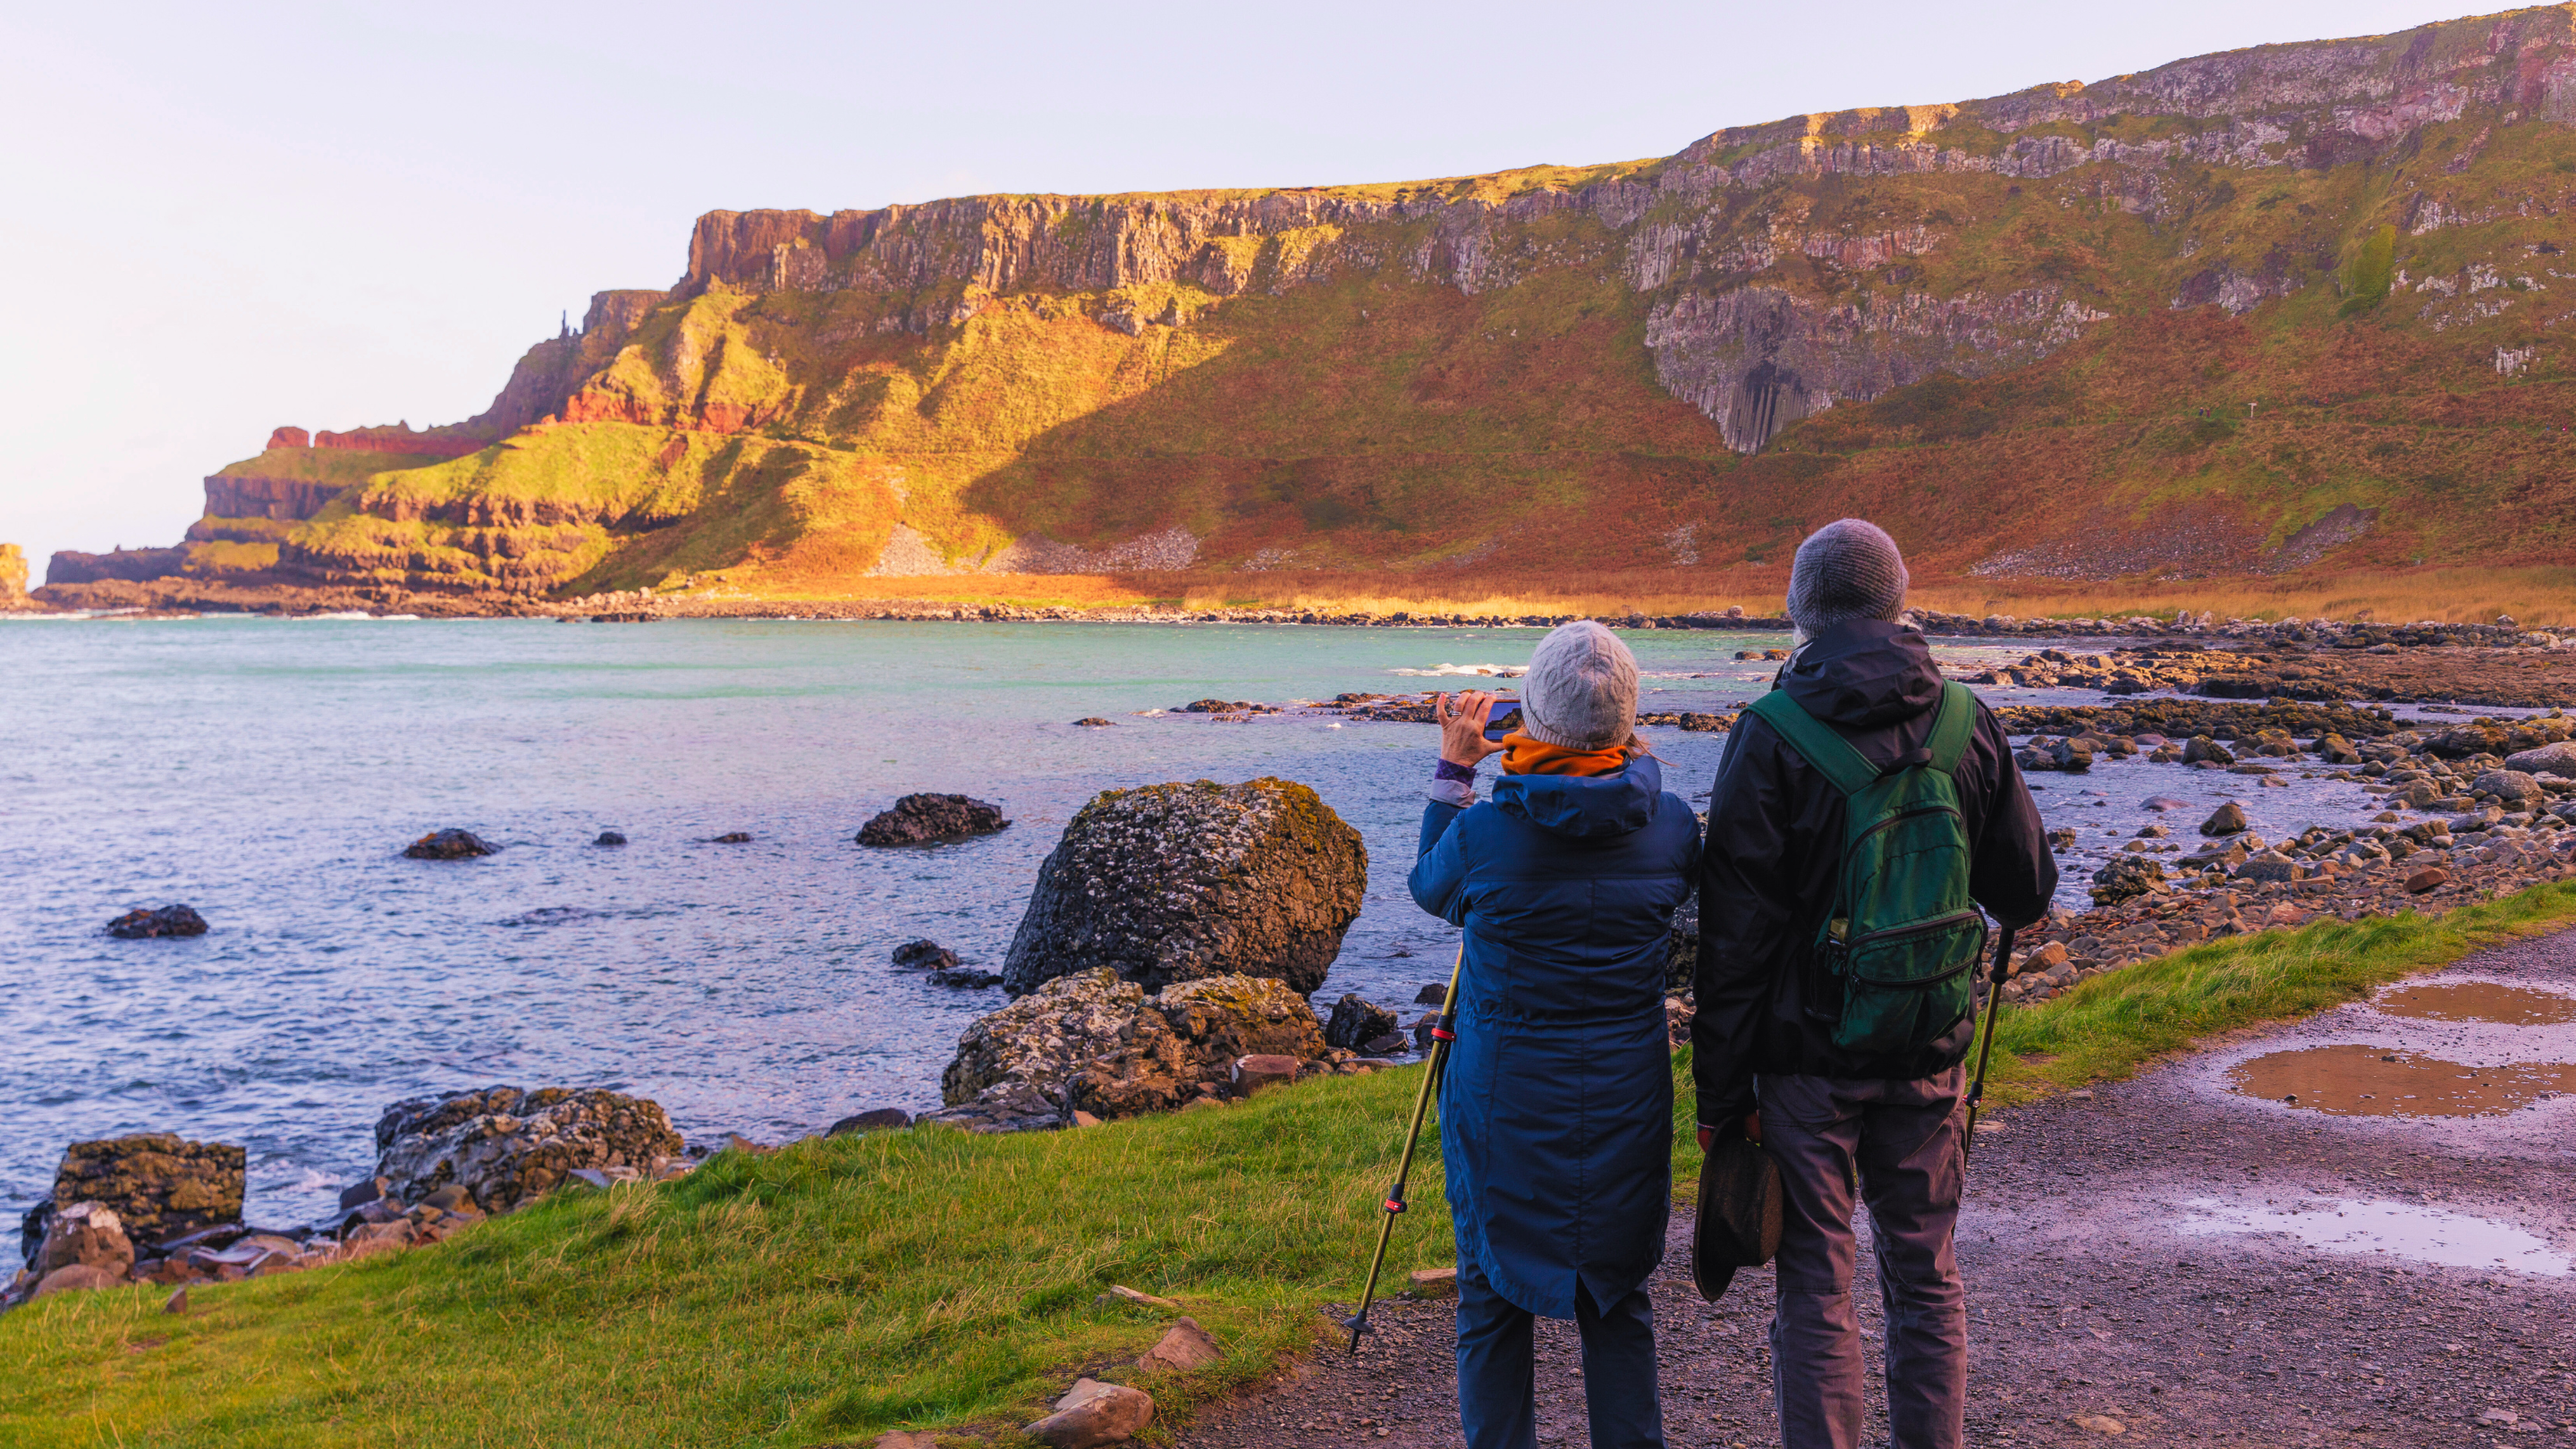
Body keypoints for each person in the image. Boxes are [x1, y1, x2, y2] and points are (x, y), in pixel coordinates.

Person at [1693, 520, 2055, 1449]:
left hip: (1804, 1065)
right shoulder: (1968, 723)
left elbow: (1733, 940)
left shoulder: (1770, 733)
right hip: (1930, 1048)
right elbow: (2025, 892)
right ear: (1901, 601)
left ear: (1801, 613)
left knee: (1817, 1282)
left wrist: (1722, 1097)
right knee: (1927, 1273)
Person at [1409, 620, 1701, 1449]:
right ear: (1625, 720)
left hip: (1503, 1090)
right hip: (1626, 1092)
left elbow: (1432, 890)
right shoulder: (1674, 827)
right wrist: (1624, 757)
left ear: (1529, 715)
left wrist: (1458, 765)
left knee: (1490, 1290)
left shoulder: (1482, 834)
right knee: (1618, 1290)